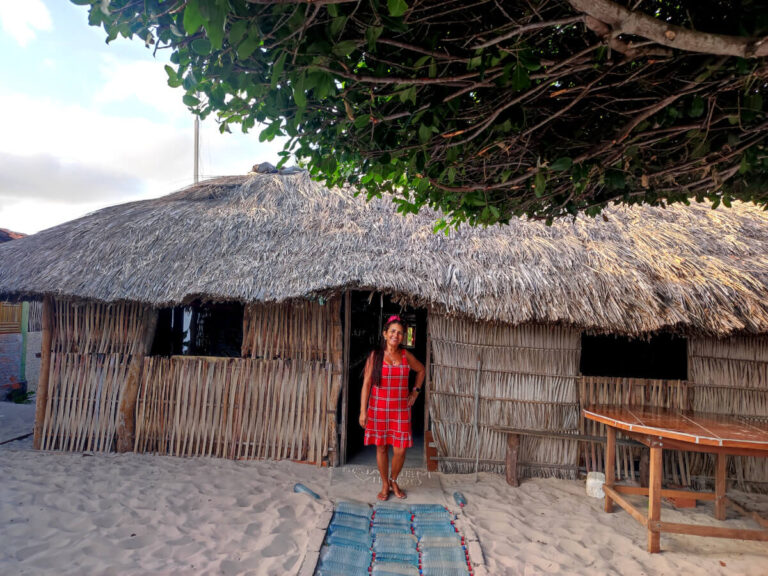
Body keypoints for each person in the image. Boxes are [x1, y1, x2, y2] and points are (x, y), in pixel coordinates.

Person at [359, 315, 426, 501]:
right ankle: (384, 484)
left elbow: (421, 370)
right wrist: (363, 411)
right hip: (378, 409)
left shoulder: (406, 356)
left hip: (400, 411)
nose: (396, 335)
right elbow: (366, 384)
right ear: (385, 334)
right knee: (381, 449)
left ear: (403, 337)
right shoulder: (375, 356)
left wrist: (415, 392)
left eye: (400, 333)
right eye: (393, 332)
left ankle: (394, 479)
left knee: (400, 450)